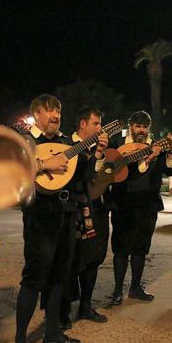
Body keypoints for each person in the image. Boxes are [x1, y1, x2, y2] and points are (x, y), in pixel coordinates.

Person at [14, 94, 97, 343]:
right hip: (40, 217)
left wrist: (90, 155)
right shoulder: (24, 140)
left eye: (59, 111)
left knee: (60, 276)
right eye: (50, 111)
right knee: (35, 278)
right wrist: (42, 165)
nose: (56, 115)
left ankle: (52, 332)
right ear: (36, 113)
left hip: (66, 214)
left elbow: (81, 179)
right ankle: (19, 342)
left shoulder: (65, 143)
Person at [109, 110, 172, 305]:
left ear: (149, 128)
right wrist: (147, 159)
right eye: (137, 126)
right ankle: (117, 290)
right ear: (131, 126)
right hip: (123, 204)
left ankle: (135, 287)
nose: (141, 130)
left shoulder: (157, 146)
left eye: (144, 127)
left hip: (147, 205)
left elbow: (170, 169)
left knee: (141, 248)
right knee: (121, 248)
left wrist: (171, 150)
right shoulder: (118, 145)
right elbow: (113, 172)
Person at [59, 106, 109, 328]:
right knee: (69, 260)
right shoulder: (65, 146)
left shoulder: (101, 147)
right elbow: (78, 177)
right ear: (82, 124)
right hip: (72, 209)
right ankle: (64, 311)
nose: (100, 128)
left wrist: (100, 155)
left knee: (93, 258)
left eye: (100, 124)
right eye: (96, 124)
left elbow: (100, 176)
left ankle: (86, 306)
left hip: (95, 209)